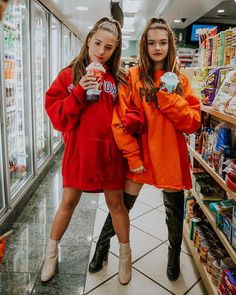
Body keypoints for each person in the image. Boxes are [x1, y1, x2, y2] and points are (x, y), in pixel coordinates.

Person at [89, 17, 201, 281]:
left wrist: (168, 97)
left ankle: (174, 254)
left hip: (170, 155)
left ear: (170, 45)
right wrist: (133, 156)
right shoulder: (132, 76)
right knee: (121, 206)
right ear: (144, 45)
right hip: (140, 157)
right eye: (152, 42)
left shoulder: (181, 81)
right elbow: (120, 120)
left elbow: (192, 122)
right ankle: (102, 247)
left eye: (163, 42)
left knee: (174, 213)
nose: (157, 48)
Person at [41, 17, 132, 285]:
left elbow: (130, 114)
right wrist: (79, 92)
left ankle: (125, 258)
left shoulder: (118, 79)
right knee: (68, 202)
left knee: (116, 205)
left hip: (109, 155)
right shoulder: (68, 76)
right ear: (88, 40)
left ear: (115, 50)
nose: (101, 52)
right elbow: (57, 117)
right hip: (79, 152)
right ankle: (50, 254)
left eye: (109, 47)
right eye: (97, 44)